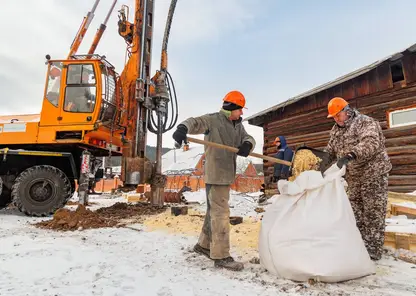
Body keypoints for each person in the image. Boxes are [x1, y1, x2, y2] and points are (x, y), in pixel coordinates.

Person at [172, 90, 256, 271]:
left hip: (226, 174)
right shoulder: (213, 120)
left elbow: (248, 137)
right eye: (240, 109)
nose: (242, 113)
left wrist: (247, 144)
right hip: (216, 174)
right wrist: (182, 128)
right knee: (221, 214)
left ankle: (203, 245)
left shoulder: (237, 126)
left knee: (213, 211)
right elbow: (195, 122)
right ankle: (221, 255)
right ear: (232, 108)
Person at [324, 97, 392, 261]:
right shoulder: (336, 130)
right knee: (355, 212)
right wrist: (323, 160)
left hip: (373, 172)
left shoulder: (365, 122)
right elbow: (330, 149)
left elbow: (371, 142)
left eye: (337, 115)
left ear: (347, 111)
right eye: (333, 116)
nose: (335, 119)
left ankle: (373, 251)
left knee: (373, 212)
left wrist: (351, 155)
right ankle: (359, 246)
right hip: (353, 177)